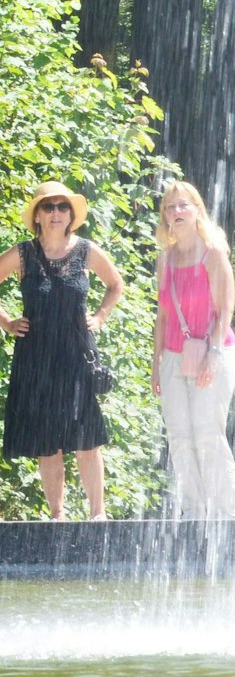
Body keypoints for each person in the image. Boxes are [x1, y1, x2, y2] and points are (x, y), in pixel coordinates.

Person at [0, 181, 126, 520]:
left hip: (76, 355)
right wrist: (8, 322)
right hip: (36, 357)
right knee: (47, 439)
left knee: (86, 436)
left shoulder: (86, 250)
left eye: (62, 207)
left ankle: (98, 514)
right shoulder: (23, 253)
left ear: (71, 214)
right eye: (48, 207)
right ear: (37, 215)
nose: (56, 213)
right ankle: (57, 516)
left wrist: (100, 316)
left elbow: (116, 285)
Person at [151, 180, 235, 520]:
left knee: (207, 433)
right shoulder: (165, 259)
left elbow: (226, 309)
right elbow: (162, 316)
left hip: (213, 350)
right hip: (173, 356)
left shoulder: (213, 252)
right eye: (170, 207)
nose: (176, 211)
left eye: (182, 205)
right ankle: (193, 513)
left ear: (196, 210)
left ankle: (227, 517)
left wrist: (213, 354)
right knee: (178, 436)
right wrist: (156, 362)